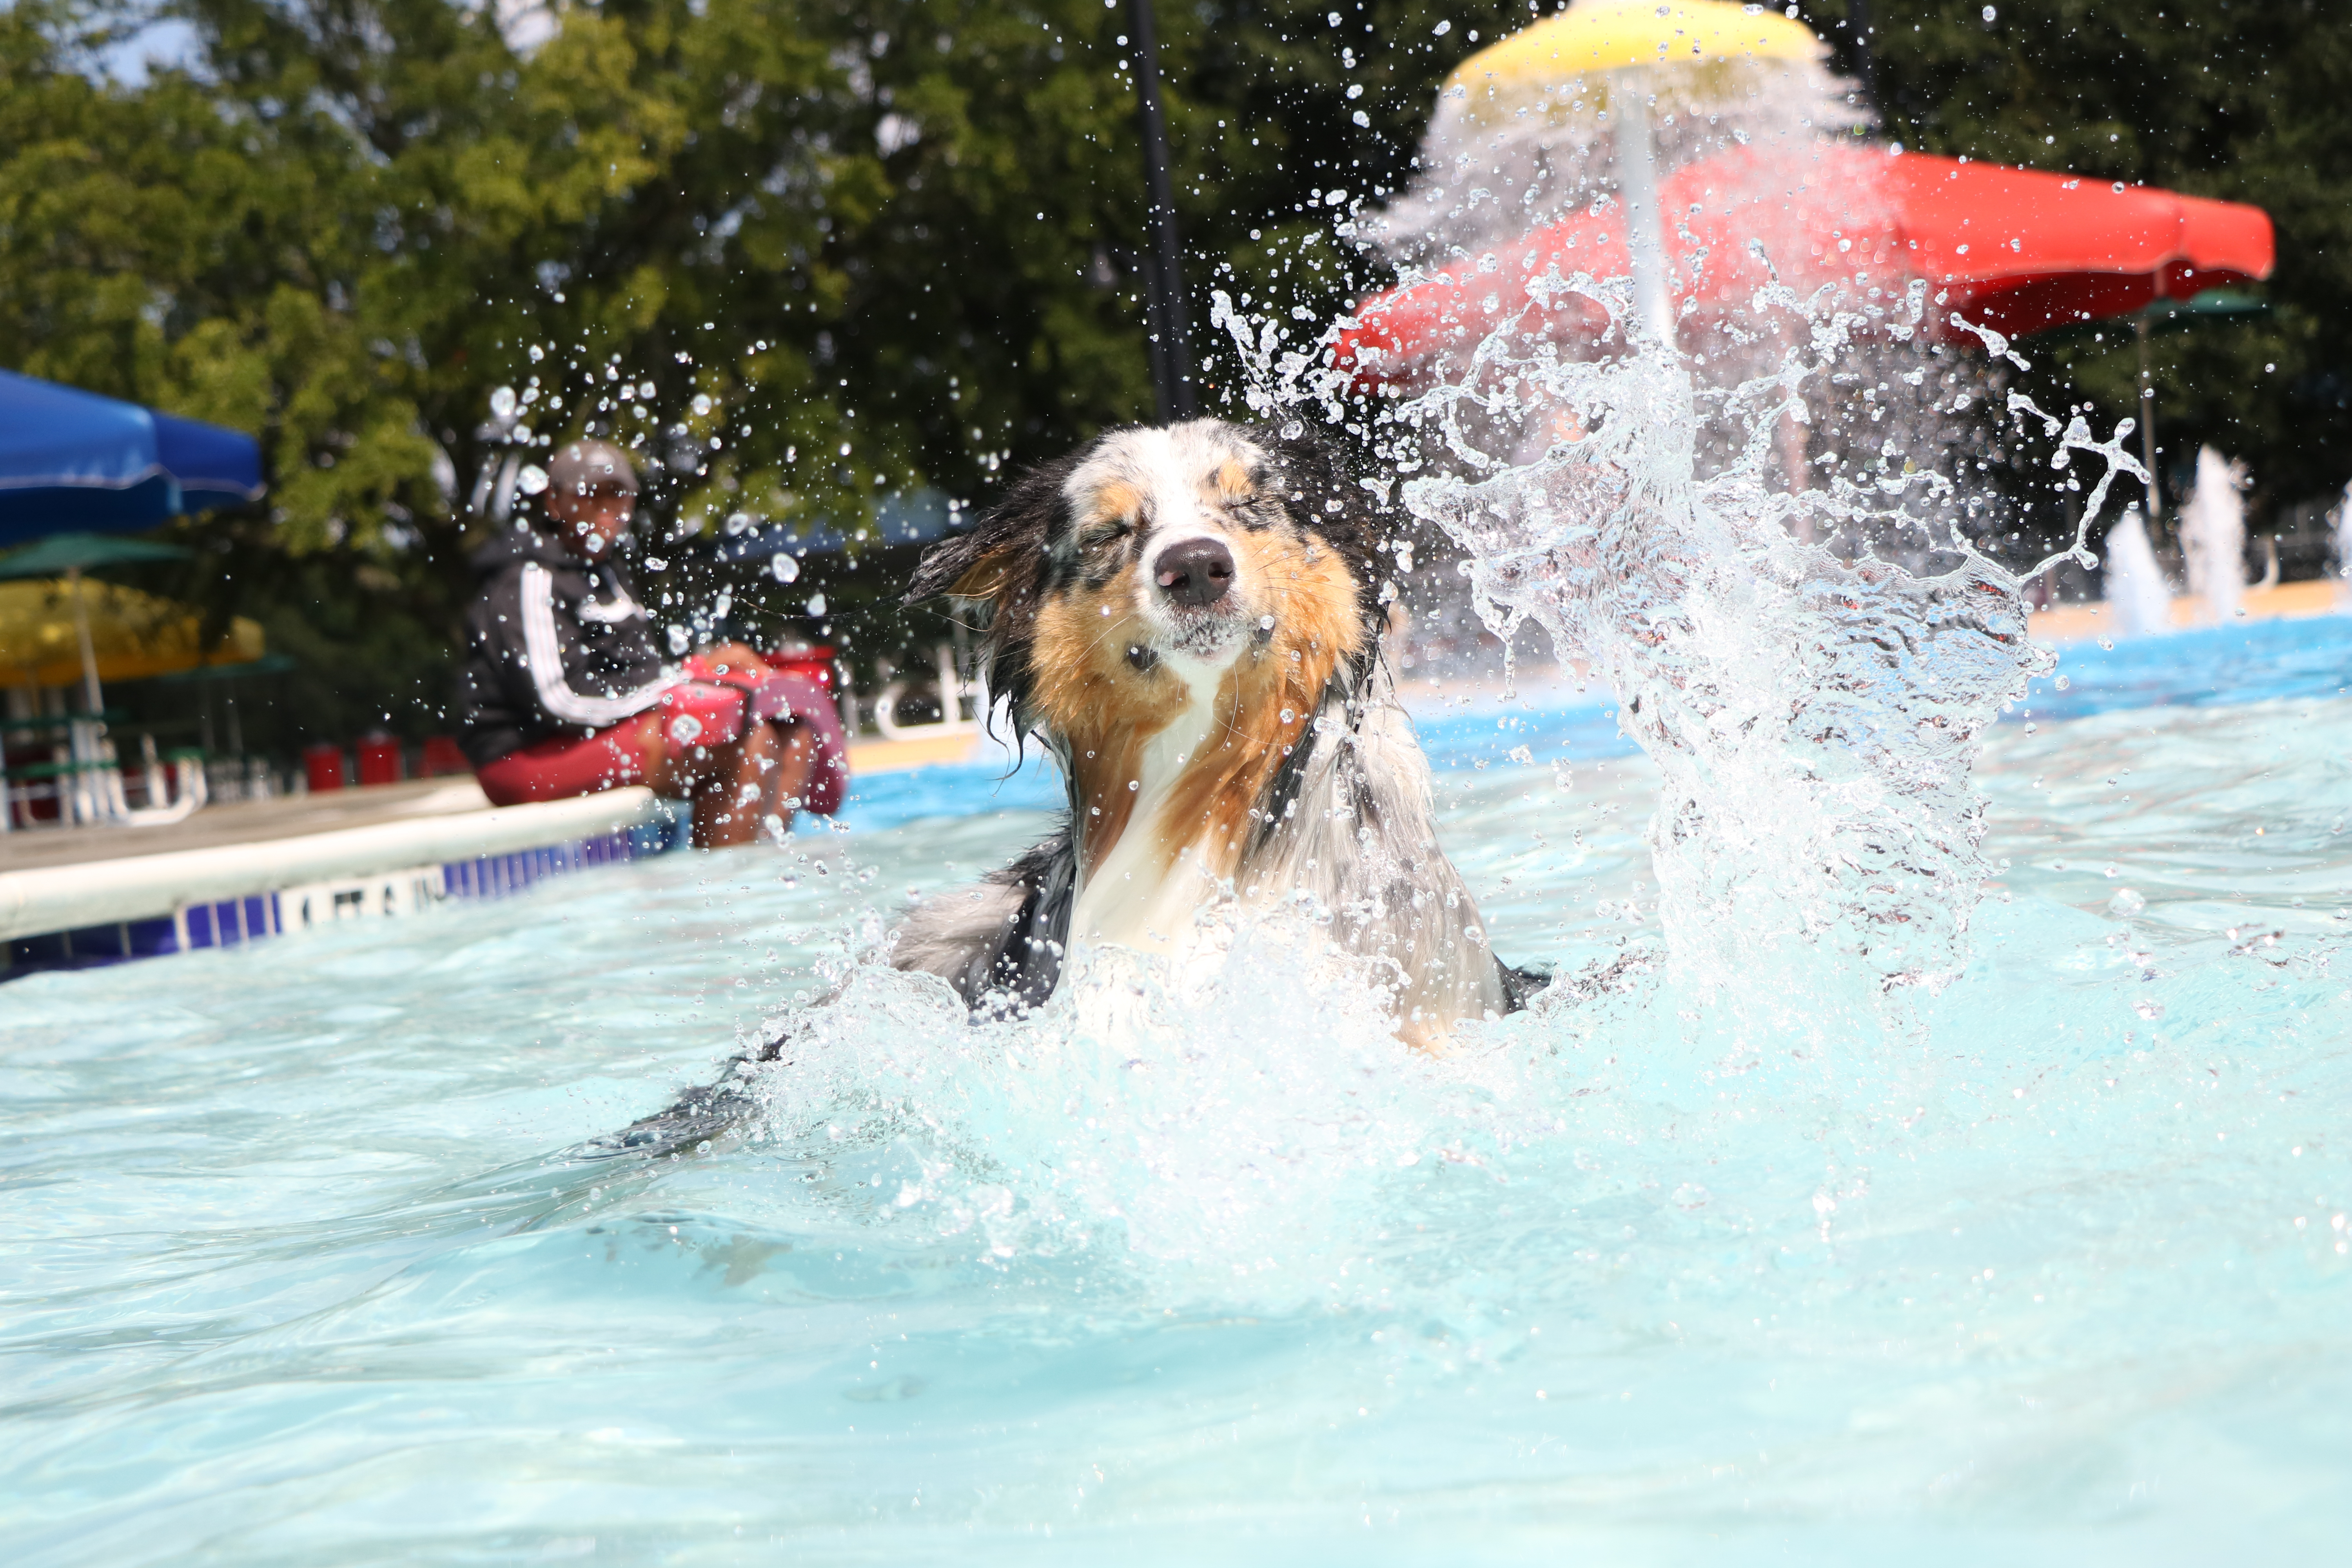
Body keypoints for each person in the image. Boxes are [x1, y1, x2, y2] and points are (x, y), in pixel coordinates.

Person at [456, 439, 847, 847]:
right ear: (554, 503)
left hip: (589, 736)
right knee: (746, 741)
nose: (608, 506)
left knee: (793, 731)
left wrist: (706, 666)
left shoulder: (609, 572)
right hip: (524, 757)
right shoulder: (527, 578)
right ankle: (727, 896)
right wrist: (687, 679)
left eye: (619, 493)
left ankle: (764, 878)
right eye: (591, 493)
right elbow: (560, 700)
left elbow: (642, 675)